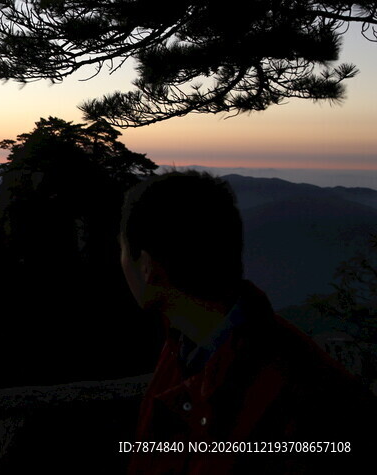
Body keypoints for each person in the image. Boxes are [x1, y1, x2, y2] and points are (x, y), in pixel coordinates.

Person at [119, 171, 376, 474]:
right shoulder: (183, 348)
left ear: (148, 267)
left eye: (121, 250)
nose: (120, 262)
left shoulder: (304, 400)